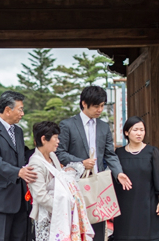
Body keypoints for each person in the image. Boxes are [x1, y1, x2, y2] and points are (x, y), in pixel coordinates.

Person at [55, 85, 132, 241]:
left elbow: (110, 154)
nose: (100, 110)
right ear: (84, 103)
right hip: (75, 184)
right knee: (77, 228)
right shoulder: (67, 125)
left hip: (98, 185)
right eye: (96, 106)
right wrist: (81, 163)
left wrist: (119, 173)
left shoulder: (103, 127)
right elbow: (59, 153)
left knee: (97, 227)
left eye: (102, 106)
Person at [0, 91, 37, 241]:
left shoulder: (18, 132)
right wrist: (18, 172)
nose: (23, 113)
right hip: (0, 199)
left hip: (20, 198)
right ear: (8, 110)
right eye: (20, 109)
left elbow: (22, 159)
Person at [28, 121, 93, 241]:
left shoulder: (52, 156)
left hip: (60, 213)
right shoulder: (35, 163)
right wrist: (62, 208)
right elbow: (40, 195)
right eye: (56, 138)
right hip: (49, 216)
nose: (58, 142)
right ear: (43, 139)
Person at [113, 116, 159, 241]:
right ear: (126, 132)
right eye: (135, 130)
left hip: (147, 205)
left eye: (142, 130)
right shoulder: (119, 153)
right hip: (124, 206)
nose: (139, 133)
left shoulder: (152, 152)